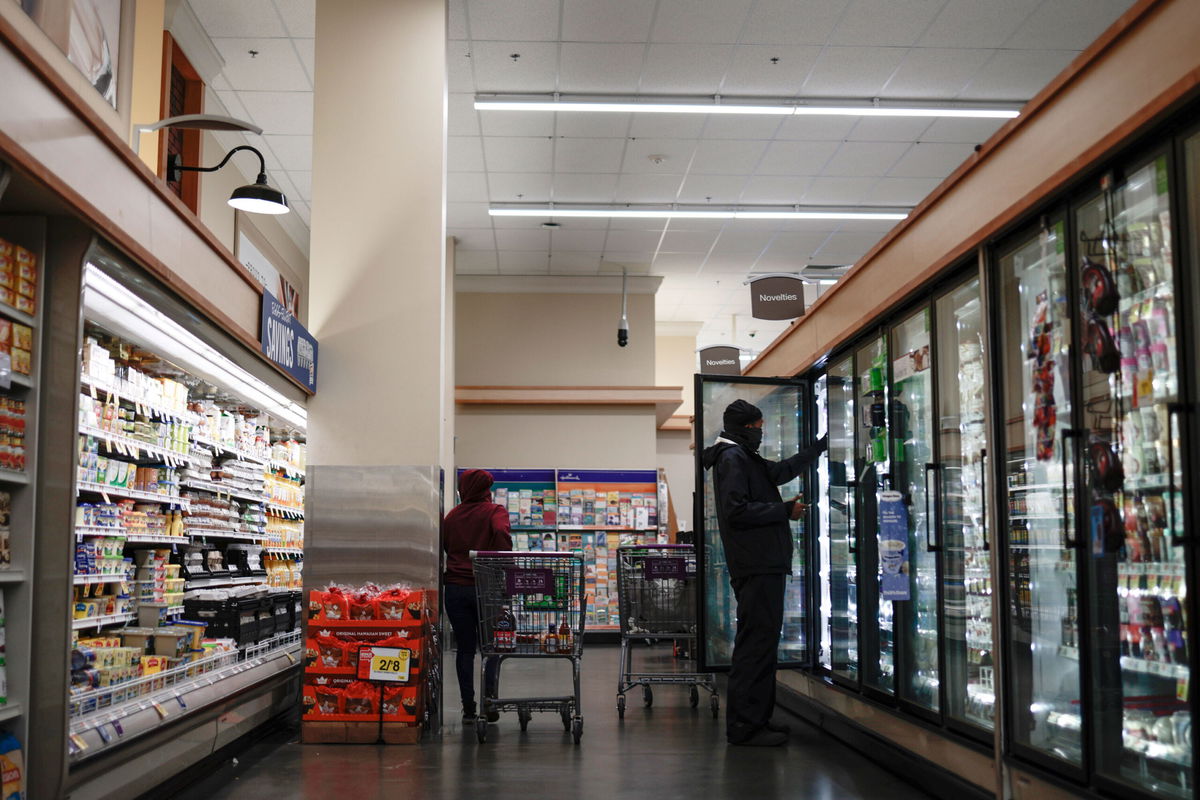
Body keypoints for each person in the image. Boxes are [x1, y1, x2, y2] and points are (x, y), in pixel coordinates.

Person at [702, 399, 827, 746]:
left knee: (761, 644)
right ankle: (745, 726)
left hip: (761, 563)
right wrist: (784, 510)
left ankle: (757, 720)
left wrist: (818, 448)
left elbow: (778, 473)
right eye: (758, 427)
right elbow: (736, 511)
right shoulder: (732, 458)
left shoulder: (742, 455)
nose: (762, 432)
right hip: (756, 563)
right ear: (745, 428)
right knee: (755, 646)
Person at [443, 469, 512, 723]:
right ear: (486, 489)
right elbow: (502, 534)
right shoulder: (495, 511)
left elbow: (448, 546)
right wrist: (503, 565)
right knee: (491, 647)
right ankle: (489, 701)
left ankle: (468, 707)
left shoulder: (452, 516)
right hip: (486, 586)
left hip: (455, 588)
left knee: (464, 649)